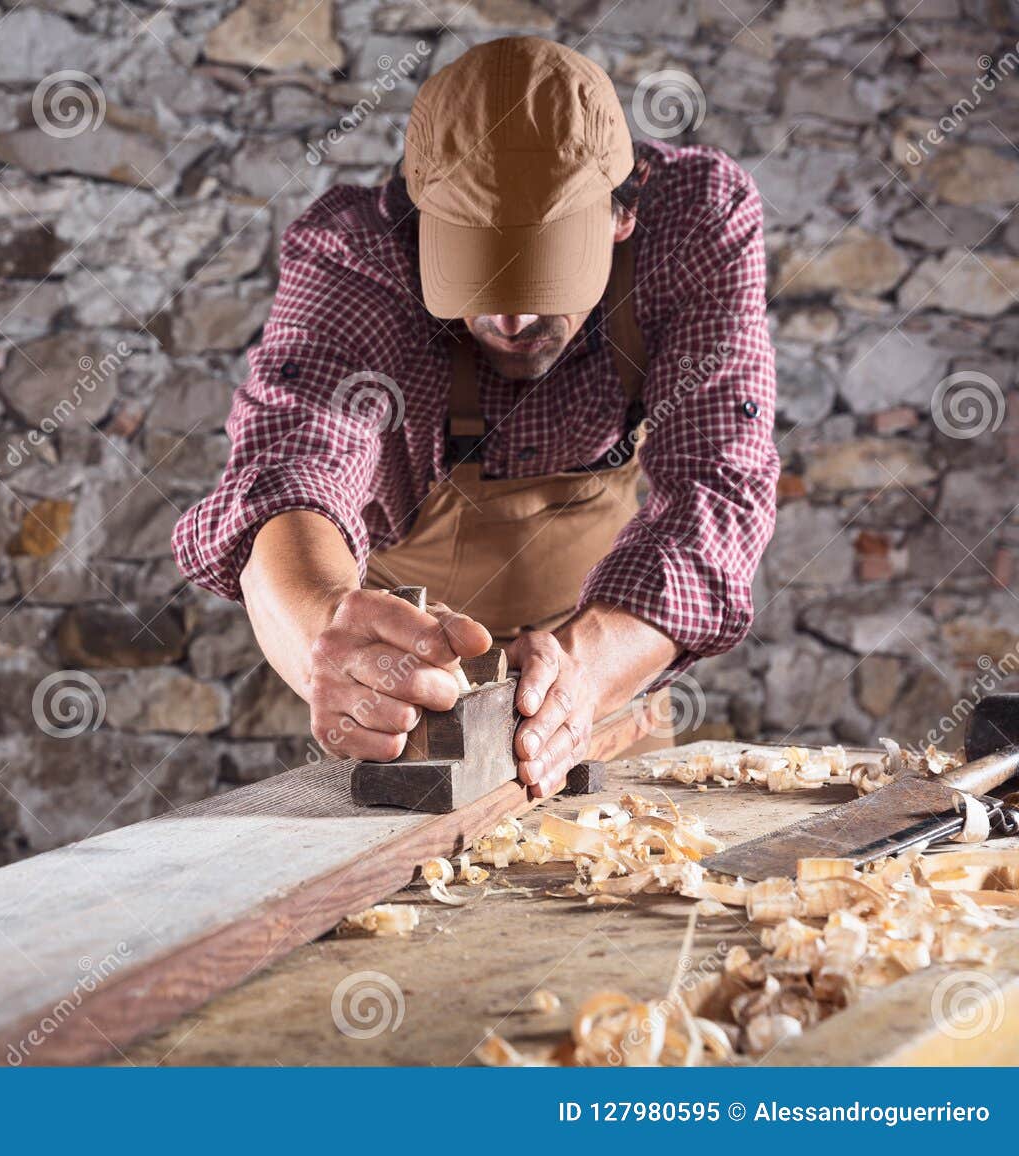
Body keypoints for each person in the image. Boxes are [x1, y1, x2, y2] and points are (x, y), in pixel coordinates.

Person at [174, 37, 778, 797]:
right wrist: (325, 631)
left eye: (546, 272)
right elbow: (290, 468)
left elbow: (718, 485)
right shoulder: (357, 255)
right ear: (422, 217)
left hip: (604, 688)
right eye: (477, 271)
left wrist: (581, 675)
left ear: (621, 215)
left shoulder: (691, 225)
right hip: (409, 713)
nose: (512, 317)